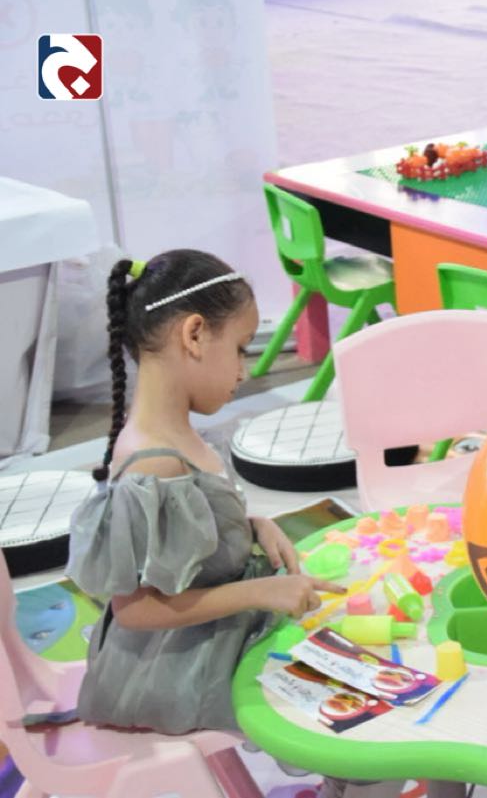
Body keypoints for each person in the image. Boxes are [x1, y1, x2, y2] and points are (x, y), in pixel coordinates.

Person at [66, 250, 344, 736]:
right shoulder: (152, 460)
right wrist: (262, 590)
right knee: (346, 709)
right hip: (182, 673)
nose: (243, 371)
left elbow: (187, 537)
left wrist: (253, 526)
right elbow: (136, 609)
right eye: (240, 348)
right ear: (194, 334)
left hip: (216, 641)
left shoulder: (177, 431)